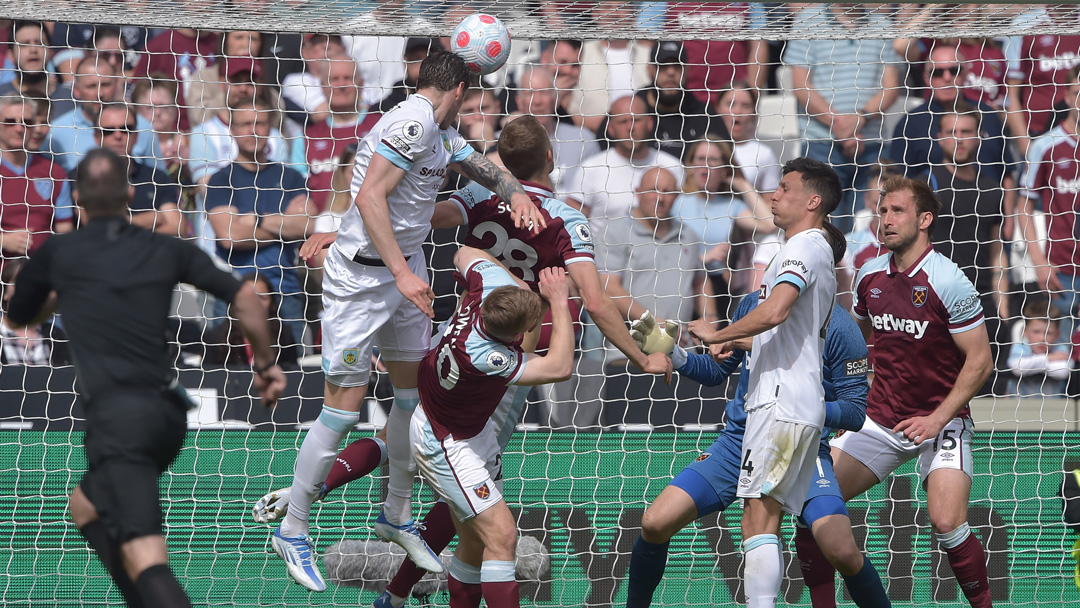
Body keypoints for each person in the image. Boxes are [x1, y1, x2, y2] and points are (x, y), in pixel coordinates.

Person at [268, 50, 545, 592]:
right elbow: (369, 195)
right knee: (343, 412)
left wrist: (513, 192)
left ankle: (396, 516)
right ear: (463, 87)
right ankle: (294, 528)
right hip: (365, 281)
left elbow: (477, 165)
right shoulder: (413, 121)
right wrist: (399, 272)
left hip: (402, 270)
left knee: (410, 398)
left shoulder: (439, 131)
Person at [3, 147, 286, 608]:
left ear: (76, 198)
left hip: (119, 421)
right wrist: (266, 365)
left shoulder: (60, 251)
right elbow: (248, 300)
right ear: (131, 193)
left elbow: (17, 316)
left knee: (148, 558)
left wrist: (60, 296)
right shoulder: (165, 247)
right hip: (166, 416)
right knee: (85, 506)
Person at [801, 176, 995, 608]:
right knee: (810, 505)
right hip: (881, 418)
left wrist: (937, 418)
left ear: (925, 220)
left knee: (947, 521)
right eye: (882, 211)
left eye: (897, 211)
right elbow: (858, 336)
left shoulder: (949, 281)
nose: (885, 220)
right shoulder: (869, 276)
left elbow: (981, 361)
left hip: (941, 420)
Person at [625, 294, 889, 608]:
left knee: (842, 552)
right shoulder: (753, 306)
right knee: (654, 522)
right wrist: (675, 354)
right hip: (736, 444)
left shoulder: (842, 329)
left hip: (801, 449)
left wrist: (805, 409)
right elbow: (716, 372)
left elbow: (855, 412)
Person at [687, 157, 846, 608]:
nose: (774, 195)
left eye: (785, 188)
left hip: (779, 404)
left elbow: (775, 310)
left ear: (813, 201)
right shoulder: (811, 249)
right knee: (763, 518)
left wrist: (721, 331)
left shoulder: (801, 248)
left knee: (758, 520)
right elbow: (786, 335)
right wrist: (740, 345)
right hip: (794, 401)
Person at [413, 249, 573, 608]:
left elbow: (463, 253)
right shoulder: (488, 357)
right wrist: (558, 301)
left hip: (470, 431)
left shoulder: (489, 287)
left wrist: (516, 285)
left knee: (473, 543)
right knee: (502, 536)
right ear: (516, 334)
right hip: (445, 442)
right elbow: (560, 367)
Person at [204, 94, 314, 347]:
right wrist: (282, 225)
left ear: (270, 127)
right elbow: (230, 237)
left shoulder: (291, 178)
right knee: (228, 374)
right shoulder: (221, 180)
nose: (252, 131)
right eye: (244, 124)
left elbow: (306, 225)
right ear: (232, 130)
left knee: (293, 374)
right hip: (232, 293)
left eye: (260, 123)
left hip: (284, 291)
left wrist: (255, 220)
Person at [783, 4, 902, 232]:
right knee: (822, 229)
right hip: (821, 144)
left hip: (871, 145)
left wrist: (858, 120)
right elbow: (800, 85)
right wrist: (840, 125)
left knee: (872, 228)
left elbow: (891, 88)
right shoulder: (807, 20)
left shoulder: (882, 24)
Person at [560, 94, 683, 242]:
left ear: (650, 123)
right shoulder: (591, 169)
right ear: (610, 128)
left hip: (662, 259)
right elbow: (572, 225)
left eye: (636, 120)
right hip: (605, 261)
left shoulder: (673, 167)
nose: (630, 127)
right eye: (623, 121)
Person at [1020, 65, 1080, 337]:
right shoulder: (1045, 145)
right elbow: (1024, 206)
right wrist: (1038, 261)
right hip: (1062, 272)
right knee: (1060, 365)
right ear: (1068, 95)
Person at [294, 52, 379, 213]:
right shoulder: (306, 137)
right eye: (334, 79)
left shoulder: (380, 126)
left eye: (348, 78)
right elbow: (299, 193)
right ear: (322, 86)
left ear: (360, 84)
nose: (341, 85)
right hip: (321, 231)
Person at [46, 57, 163, 174]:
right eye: (91, 86)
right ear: (76, 90)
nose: (100, 94)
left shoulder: (142, 128)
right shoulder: (56, 132)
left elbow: (156, 180)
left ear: (117, 84)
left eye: (106, 85)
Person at [92, 101, 183, 235]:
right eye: (108, 131)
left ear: (136, 136)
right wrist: (152, 218)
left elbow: (178, 228)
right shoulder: (81, 177)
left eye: (126, 129)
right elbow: (92, 227)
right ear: (97, 137)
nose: (118, 135)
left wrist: (124, 225)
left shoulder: (158, 179)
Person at [0, 94, 73, 259]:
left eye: (27, 122)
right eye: (11, 121)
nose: (19, 128)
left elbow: (64, 230)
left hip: (41, 277)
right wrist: (3, 241)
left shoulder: (55, 173)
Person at [634, 40, 726, 161]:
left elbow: (726, 164)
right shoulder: (630, 111)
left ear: (687, 70)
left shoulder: (706, 117)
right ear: (649, 70)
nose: (671, 72)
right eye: (663, 66)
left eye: (677, 66)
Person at [715, 82, 780, 194]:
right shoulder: (703, 148)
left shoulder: (764, 153)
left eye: (745, 106)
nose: (738, 112)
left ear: (753, 113)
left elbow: (770, 203)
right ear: (718, 109)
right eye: (731, 104)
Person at [1008, 301, 1070, 397]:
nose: (1042, 338)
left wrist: (1032, 365)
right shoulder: (1021, 346)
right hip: (1020, 407)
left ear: (1057, 334)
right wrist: (1049, 358)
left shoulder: (1060, 348)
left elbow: (1063, 371)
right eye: (1036, 332)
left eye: (1048, 333)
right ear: (1025, 331)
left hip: (1055, 407)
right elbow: (1017, 367)